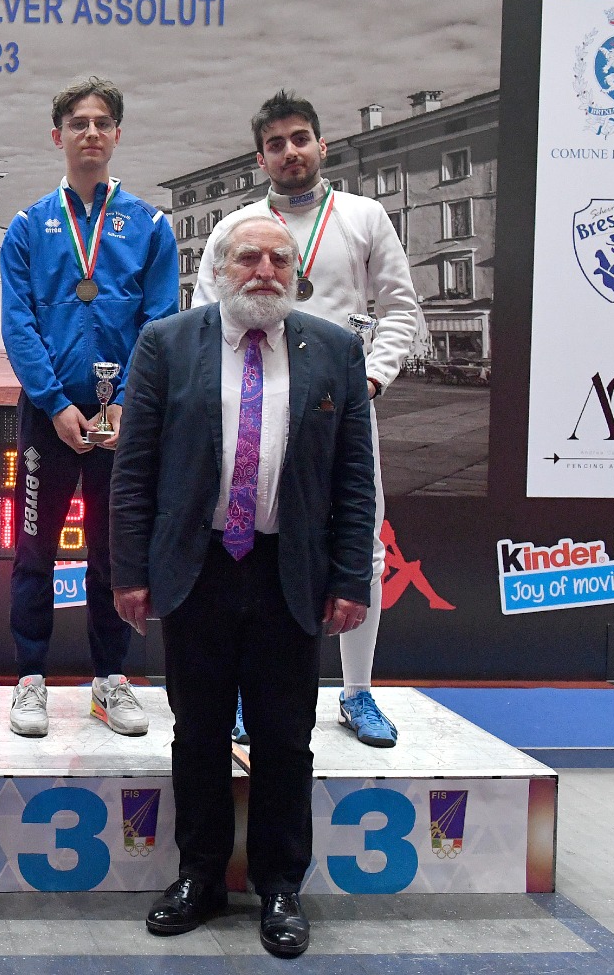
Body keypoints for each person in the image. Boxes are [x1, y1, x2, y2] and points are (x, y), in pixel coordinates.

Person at [112, 216, 375, 959]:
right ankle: (199, 876)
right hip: (196, 571)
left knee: (286, 738)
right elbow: (134, 469)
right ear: (220, 268)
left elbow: (355, 478)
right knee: (197, 733)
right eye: (249, 257)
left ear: (297, 272)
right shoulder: (166, 344)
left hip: (289, 572)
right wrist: (129, 571)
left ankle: (281, 885)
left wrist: (351, 576)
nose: (265, 270)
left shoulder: (335, 350)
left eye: (279, 259)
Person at [193, 89, 419, 749]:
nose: (289, 152)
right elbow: (205, 318)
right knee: (245, 542)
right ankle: (243, 695)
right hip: (254, 408)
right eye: (275, 144)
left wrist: (370, 379)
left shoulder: (364, 215)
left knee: (361, 547)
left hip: (338, 412)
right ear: (260, 157)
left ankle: (357, 692)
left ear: (322, 144)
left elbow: (401, 307)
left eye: (300, 139)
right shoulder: (236, 225)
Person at [0, 76, 179, 738]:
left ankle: (110, 679)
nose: (91, 133)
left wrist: (127, 401)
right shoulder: (27, 227)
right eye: (79, 123)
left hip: (122, 423)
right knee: (34, 550)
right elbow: (18, 323)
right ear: (59, 136)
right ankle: (30, 678)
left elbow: (160, 320)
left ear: (117, 135)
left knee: (113, 552)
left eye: (103, 122)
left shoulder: (150, 226)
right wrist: (52, 403)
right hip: (48, 418)